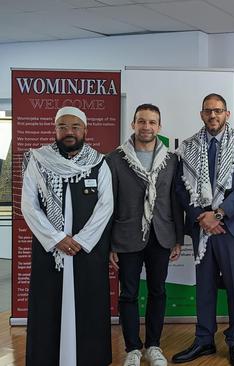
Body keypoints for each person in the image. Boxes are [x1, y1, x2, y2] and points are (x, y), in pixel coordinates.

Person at [21, 106, 113, 366]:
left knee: (90, 305)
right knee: (47, 306)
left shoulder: (99, 161)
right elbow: (29, 205)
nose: (68, 132)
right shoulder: (38, 160)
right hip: (51, 249)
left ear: (85, 130)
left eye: (75, 127)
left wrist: (81, 241)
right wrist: (56, 238)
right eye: (62, 127)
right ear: (55, 129)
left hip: (87, 251)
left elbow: (106, 206)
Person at [172, 94, 234, 366]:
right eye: (208, 111)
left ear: (227, 114)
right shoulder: (188, 147)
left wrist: (219, 214)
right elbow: (181, 189)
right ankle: (204, 339)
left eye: (218, 111)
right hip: (202, 228)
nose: (213, 116)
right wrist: (201, 217)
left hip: (231, 227)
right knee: (205, 286)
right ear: (201, 114)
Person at [106, 103, 184, 366]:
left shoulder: (172, 160)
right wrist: (109, 244)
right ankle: (132, 349)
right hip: (126, 236)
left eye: (152, 122)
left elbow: (176, 201)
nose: (146, 127)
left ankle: (153, 345)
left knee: (157, 291)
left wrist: (178, 238)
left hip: (161, 235)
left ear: (159, 127)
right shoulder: (115, 159)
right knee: (128, 294)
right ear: (133, 124)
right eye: (142, 121)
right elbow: (109, 204)